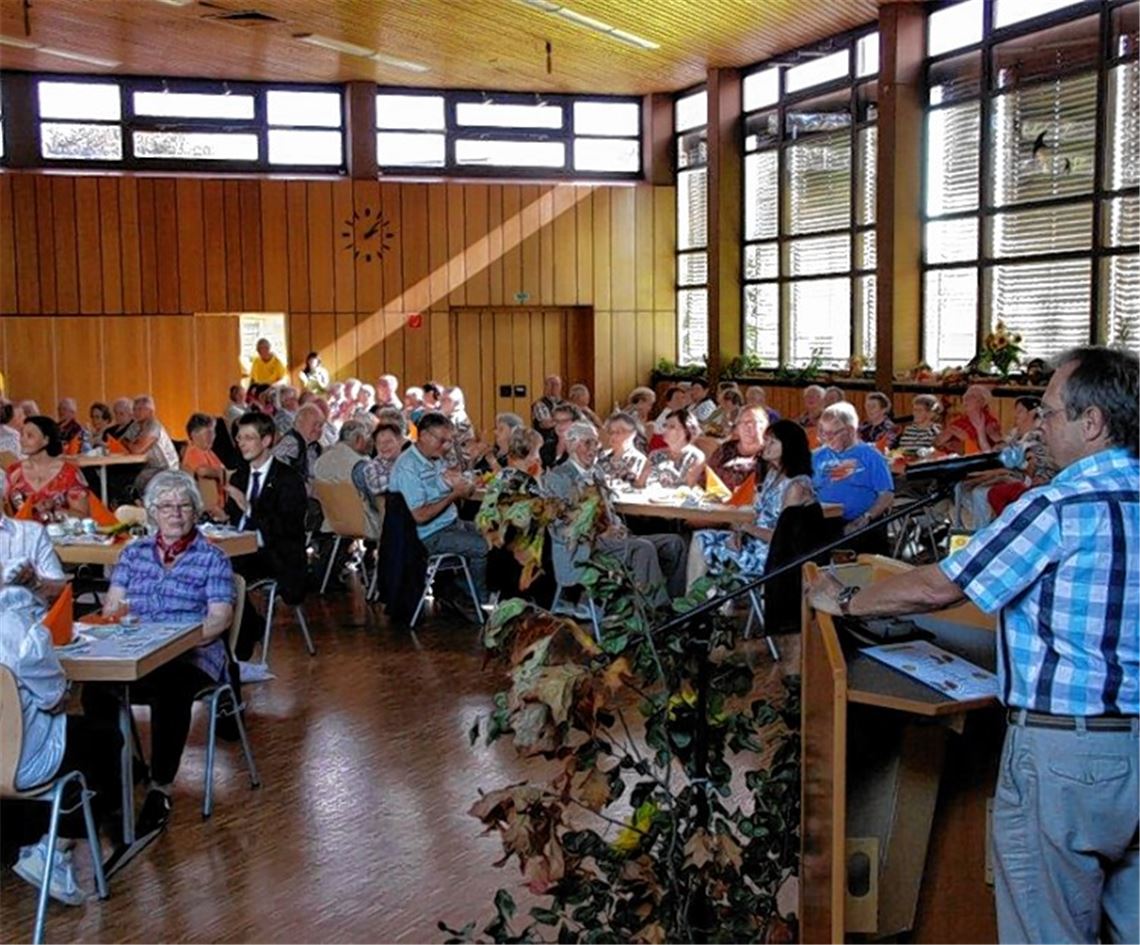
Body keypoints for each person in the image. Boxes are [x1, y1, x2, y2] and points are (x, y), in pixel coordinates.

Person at [807, 346, 1139, 945]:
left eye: (1049, 413)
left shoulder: (1057, 506)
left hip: (1065, 753)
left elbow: (943, 584)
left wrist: (848, 601)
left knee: (1051, 933)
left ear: (1091, 424)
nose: (1038, 425)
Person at [82, 471, 235, 838]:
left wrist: (180, 641)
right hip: (138, 651)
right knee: (95, 688)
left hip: (193, 657)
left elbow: (220, 618)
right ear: (152, 513)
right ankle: (117, 776)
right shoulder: (132, 554)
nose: (176, 514)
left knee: (172, 689)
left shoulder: (212, 557)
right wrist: (118, 620)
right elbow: (113, 607)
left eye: (184, 506)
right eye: (166, 507)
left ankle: (160, 787)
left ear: (195, 511)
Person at [1, 581, 122, 905]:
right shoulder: (21, 629)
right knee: (104, 738)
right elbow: (54, 697)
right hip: (18, 764)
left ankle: (70, 843)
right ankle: (58, 846)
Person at [543, 422, 686, 607]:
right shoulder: (558, 477)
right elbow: (560, 527)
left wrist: (618, 525)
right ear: (571, 445)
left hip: (611, 540)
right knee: (643, 549)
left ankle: (675, 606)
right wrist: (599, 533)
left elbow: (608, 508)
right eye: (588, 443)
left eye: (596, 444)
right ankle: (656, 614)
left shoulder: (596, 472)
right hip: (583, 549)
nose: (594, 449)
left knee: (674, 544)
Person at [689, 420, 815, 588]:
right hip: (753, 543)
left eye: (773, 441)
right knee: (701, 537)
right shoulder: (772, 474)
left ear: (788, 446)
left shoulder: (796, 487)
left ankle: (696, 606)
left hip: (770, 557)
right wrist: (739, 531)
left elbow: (783, 539)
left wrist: (746, 528)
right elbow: (757, 513)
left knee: (705, 544)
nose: (766, 445)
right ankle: (695, 603)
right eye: (766, 440)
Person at [225, 411, 309, 660]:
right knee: (209, 567)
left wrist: (248, 508)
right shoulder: (239, 476)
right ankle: (247, 630)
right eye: (240, 438)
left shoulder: (288, 479)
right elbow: (235, 522)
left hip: (278, 554)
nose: (242, 443)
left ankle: (240, 646)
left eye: (249, 438)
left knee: (225, 572)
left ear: (266, 440)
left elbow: (288, 529)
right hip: (244, 551)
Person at [389, 412, 488, 618]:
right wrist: (453, 495)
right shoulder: (408, 467)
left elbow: (450, 480)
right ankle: (471, 597)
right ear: (423, 435)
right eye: (442, 440)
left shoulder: (433, 458)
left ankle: (457, 589)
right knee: (483, 546)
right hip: (427, 535)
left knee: (495, 534)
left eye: (449, 441)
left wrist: (464, 473)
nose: (446, 446)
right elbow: (421, 516)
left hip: (450, 523)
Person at [812, 402, 894, 548]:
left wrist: (866, 517)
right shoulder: (817, 456)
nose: (827, 438)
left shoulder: (870, 456)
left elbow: (886, 495)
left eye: (833, 433)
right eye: (824, 433)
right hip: (823, 523)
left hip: (862, 525)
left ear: (850, 430)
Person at [5, 416, 91, 520]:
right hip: (23, 533)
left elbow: (83, 516)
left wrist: (55, 508)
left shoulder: (69, 472)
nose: (22, 440)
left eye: (29, 435)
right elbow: (7, 513)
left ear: (46, 440)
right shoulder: (14, 471)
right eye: (22, 435)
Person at [351, 420, 405, 535]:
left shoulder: (410, 460)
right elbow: (377, 487)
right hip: (394, 517)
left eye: (389, 442)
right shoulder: (372, 467)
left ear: (400, 441)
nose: (384, 446)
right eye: (380, 443)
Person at [637, 407, 705, 489]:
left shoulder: (694, 457)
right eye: (665, 426)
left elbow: (688, 489)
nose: (665, 430)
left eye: (672, 427)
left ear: (686, 430)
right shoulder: (656, 454)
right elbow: (640, 483)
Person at [122, 395, 179, 491]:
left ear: (150, 411)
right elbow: (122, 440)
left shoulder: (154, 426)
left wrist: (131, 444)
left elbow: (137, 450)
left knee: (127, 479)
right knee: (117, 475)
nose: (136, 413)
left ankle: (138, 502)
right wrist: (131, 444)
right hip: (146, 466)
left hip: (164, 469)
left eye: (140, 409)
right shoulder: (135, 425)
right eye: (134, 409)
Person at [707, 405, 768, 491]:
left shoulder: (770, 453)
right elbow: (707, 475)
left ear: (765, 426)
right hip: (718, 500)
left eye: (753, 422)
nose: (748, 427)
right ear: (737, 428)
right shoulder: (726, 449)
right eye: (743, 423)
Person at [182, 412, 227, 518]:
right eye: (208, 433)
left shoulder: (208, 452)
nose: (213, 437)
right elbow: (202, 471)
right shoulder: (194, 451)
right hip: (208, 511)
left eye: (213, 433)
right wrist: (223, 473)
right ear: (194, 434)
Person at [272, 402, 324, 494]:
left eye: (320, 426)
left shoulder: (315, 447)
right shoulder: (291, 443)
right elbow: (277, 473)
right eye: (315, 424)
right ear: (300, 422)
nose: (318, 429)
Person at [937, 383, 1003, 454]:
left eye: (972, 396)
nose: (966, 399)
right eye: (966, 396)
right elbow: (937, 443)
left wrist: (966, 440)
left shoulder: (989, 422)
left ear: (982, 402)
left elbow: (998, 446)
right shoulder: (959, 420)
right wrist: (942, 442)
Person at [599, 412, 647, 486]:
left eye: (619, 432)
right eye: (611, 432)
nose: (613, 436)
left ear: (633, 434)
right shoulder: (602, 456)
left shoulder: (639, 460)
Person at [540, 403, 580, 471]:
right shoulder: (546, 445)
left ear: (575, 422)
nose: (560, 424)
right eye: (556, 421)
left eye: (565, 421)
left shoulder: (581, 447)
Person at [532, 375, 564, 451]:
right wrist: (565, 420)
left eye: (556, 384)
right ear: (545, 386)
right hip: (546, 443)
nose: (553, 387)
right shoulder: (539, 404)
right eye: (551, 384)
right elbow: (546, 424)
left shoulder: (565, 404)